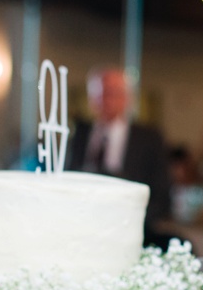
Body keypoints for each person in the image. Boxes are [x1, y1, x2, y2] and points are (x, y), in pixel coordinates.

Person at [69, 67, 172, 228]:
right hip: (82, 221)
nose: (106, 100)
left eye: (112, 93)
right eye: (100, 94)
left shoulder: (149, 139)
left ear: (127, 98)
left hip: (129, 223)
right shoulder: (78, 135)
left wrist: (132, 220)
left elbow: (161, 194)